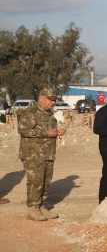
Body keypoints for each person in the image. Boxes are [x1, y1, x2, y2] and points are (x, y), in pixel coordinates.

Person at [17, 88, 66, 221]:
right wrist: (46, 134)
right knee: (35, 181)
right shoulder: (31, 112)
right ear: (41, 98)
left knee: (46, 181)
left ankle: (41, 206)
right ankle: (32, 208)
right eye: (51, 100)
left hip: (48, 153)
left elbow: (48, 130)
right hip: (33, 154)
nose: (53, 102)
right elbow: (22, 130)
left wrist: (57, 132)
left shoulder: (49, 114)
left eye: (55, 100)